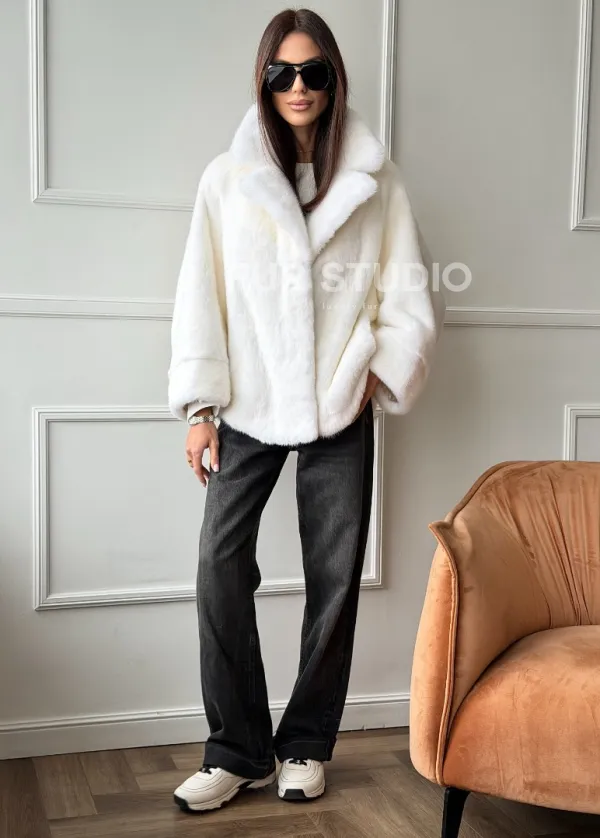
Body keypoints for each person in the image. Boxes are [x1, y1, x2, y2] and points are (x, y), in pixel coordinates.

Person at [167, 7, 443, 814]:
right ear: (263, 79)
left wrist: (376, 373)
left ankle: (305, 746)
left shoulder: (376, 181)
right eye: (281, 72)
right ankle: (237, 750)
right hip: (247, 402)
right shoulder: (227, 178)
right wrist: (201, 405)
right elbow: (201, 294)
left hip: (338, 404)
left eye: (313, 71)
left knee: (334, 578)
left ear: (333, 78)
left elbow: (408, 289)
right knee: (219, 568)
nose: (298, 86)